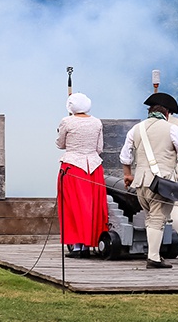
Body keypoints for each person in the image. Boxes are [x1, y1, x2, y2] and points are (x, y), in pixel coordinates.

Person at [120, 93, 178, 269]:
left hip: (141, 183)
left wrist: (127, 175)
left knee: (151, 218)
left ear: (150, 112)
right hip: (162, 183)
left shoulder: (136, 129)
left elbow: (125, 156)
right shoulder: (171, 128)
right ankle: (154, 258)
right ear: (167, 113)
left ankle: (155, 254)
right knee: (157, 219)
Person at [56, 92, 108, 257]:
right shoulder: (97, 122)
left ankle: (78, 246)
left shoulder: (67, 121)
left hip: (73, 167)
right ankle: (88, 244)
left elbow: (60, 144)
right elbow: (99, 148)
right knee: (92, 205)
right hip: (94, 167)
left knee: (73, 206)